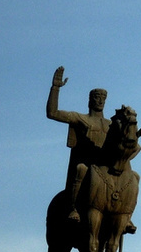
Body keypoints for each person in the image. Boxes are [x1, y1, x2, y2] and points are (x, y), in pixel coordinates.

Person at [46, 66, 111, 222]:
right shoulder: (81, 118)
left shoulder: (111, 125)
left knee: (130, 178)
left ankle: (125, 217)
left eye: (103, 98)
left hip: (105, 169)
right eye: (97, 97)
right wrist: (55, 88)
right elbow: (52, 113)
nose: (101, 100)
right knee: (81, 170)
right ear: (90, 100)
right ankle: (74, 208)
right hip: (87, 165)